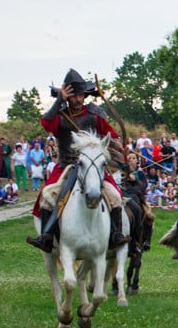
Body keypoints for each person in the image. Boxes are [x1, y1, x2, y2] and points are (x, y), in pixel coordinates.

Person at [26, 69, 129, 252]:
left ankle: (115, 235)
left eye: (81, 95)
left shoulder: (94, 114)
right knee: (47, 196)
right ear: (68, 96)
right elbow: (46, 123)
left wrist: (120, 146)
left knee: (114, 196)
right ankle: (47, 237)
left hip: (93, 165)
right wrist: (59, 99)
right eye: (74, 96)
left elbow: (110, 135)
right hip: (67, 165)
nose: (78, 99)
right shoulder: (60, 115)